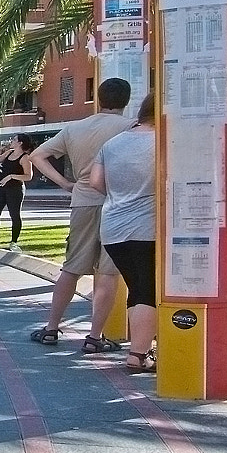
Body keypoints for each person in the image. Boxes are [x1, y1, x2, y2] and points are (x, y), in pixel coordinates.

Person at [26, 77, 132, 352]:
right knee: (108, 273)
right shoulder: (130, 127)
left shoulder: (76, 128)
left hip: (83, 200)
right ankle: (95, 337)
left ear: (98, 98)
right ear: (127, 100)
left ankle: (51, 328)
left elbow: (37, 156)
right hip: (119, 203)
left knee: (71, 267)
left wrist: (64, 183)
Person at [89, 94, 158, 372]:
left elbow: (96, 182)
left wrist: (122, 196)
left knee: (135, 286)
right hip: (146, 226)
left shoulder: (112, 143)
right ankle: (139, 354)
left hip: (113, 226)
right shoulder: (163, 142)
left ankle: (141, 349)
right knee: (147, 289)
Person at [0, 134, 36, 253]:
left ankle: (14, 243)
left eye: (14, 139)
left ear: (20, 143)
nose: (11, 141)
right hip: (1, 188)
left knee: (15, 215)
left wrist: (11, 176)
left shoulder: (25, 158)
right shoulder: (9, 153)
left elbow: (29, 176)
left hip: (15, 189)